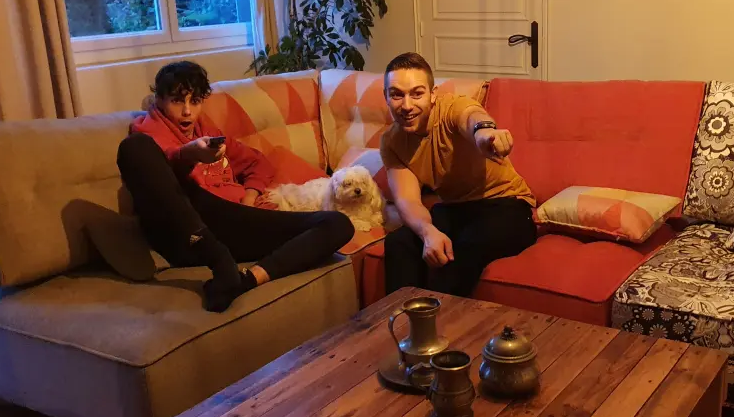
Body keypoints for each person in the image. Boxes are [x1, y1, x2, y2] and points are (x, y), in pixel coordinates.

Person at [117, 61, 354, 312]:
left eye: (195, 101)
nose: (187, 111)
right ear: (159, 100)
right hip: (187, 229)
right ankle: (218, 260)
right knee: (134, 148)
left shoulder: (207, 132)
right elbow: (165, 173)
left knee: (336, 224)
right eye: (177, 101)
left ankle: (244, 281)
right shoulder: (147, 132)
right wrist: (190, 155)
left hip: (231, 222)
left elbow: (257, 163)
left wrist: (249, 198)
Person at [381, 52, 536, 296]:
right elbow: (407, 199)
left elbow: (473, 118)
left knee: (461, 250)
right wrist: (427, 232)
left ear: (433, 94)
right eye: (397, 95)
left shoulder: (453, 107)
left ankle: (442, 328)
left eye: (417, 93)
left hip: (506, 206)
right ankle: (400, 324)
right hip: (454, 209)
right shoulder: (391, 142)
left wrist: (485, 133)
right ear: (387, 97)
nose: (407, 105)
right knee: (398, 243)